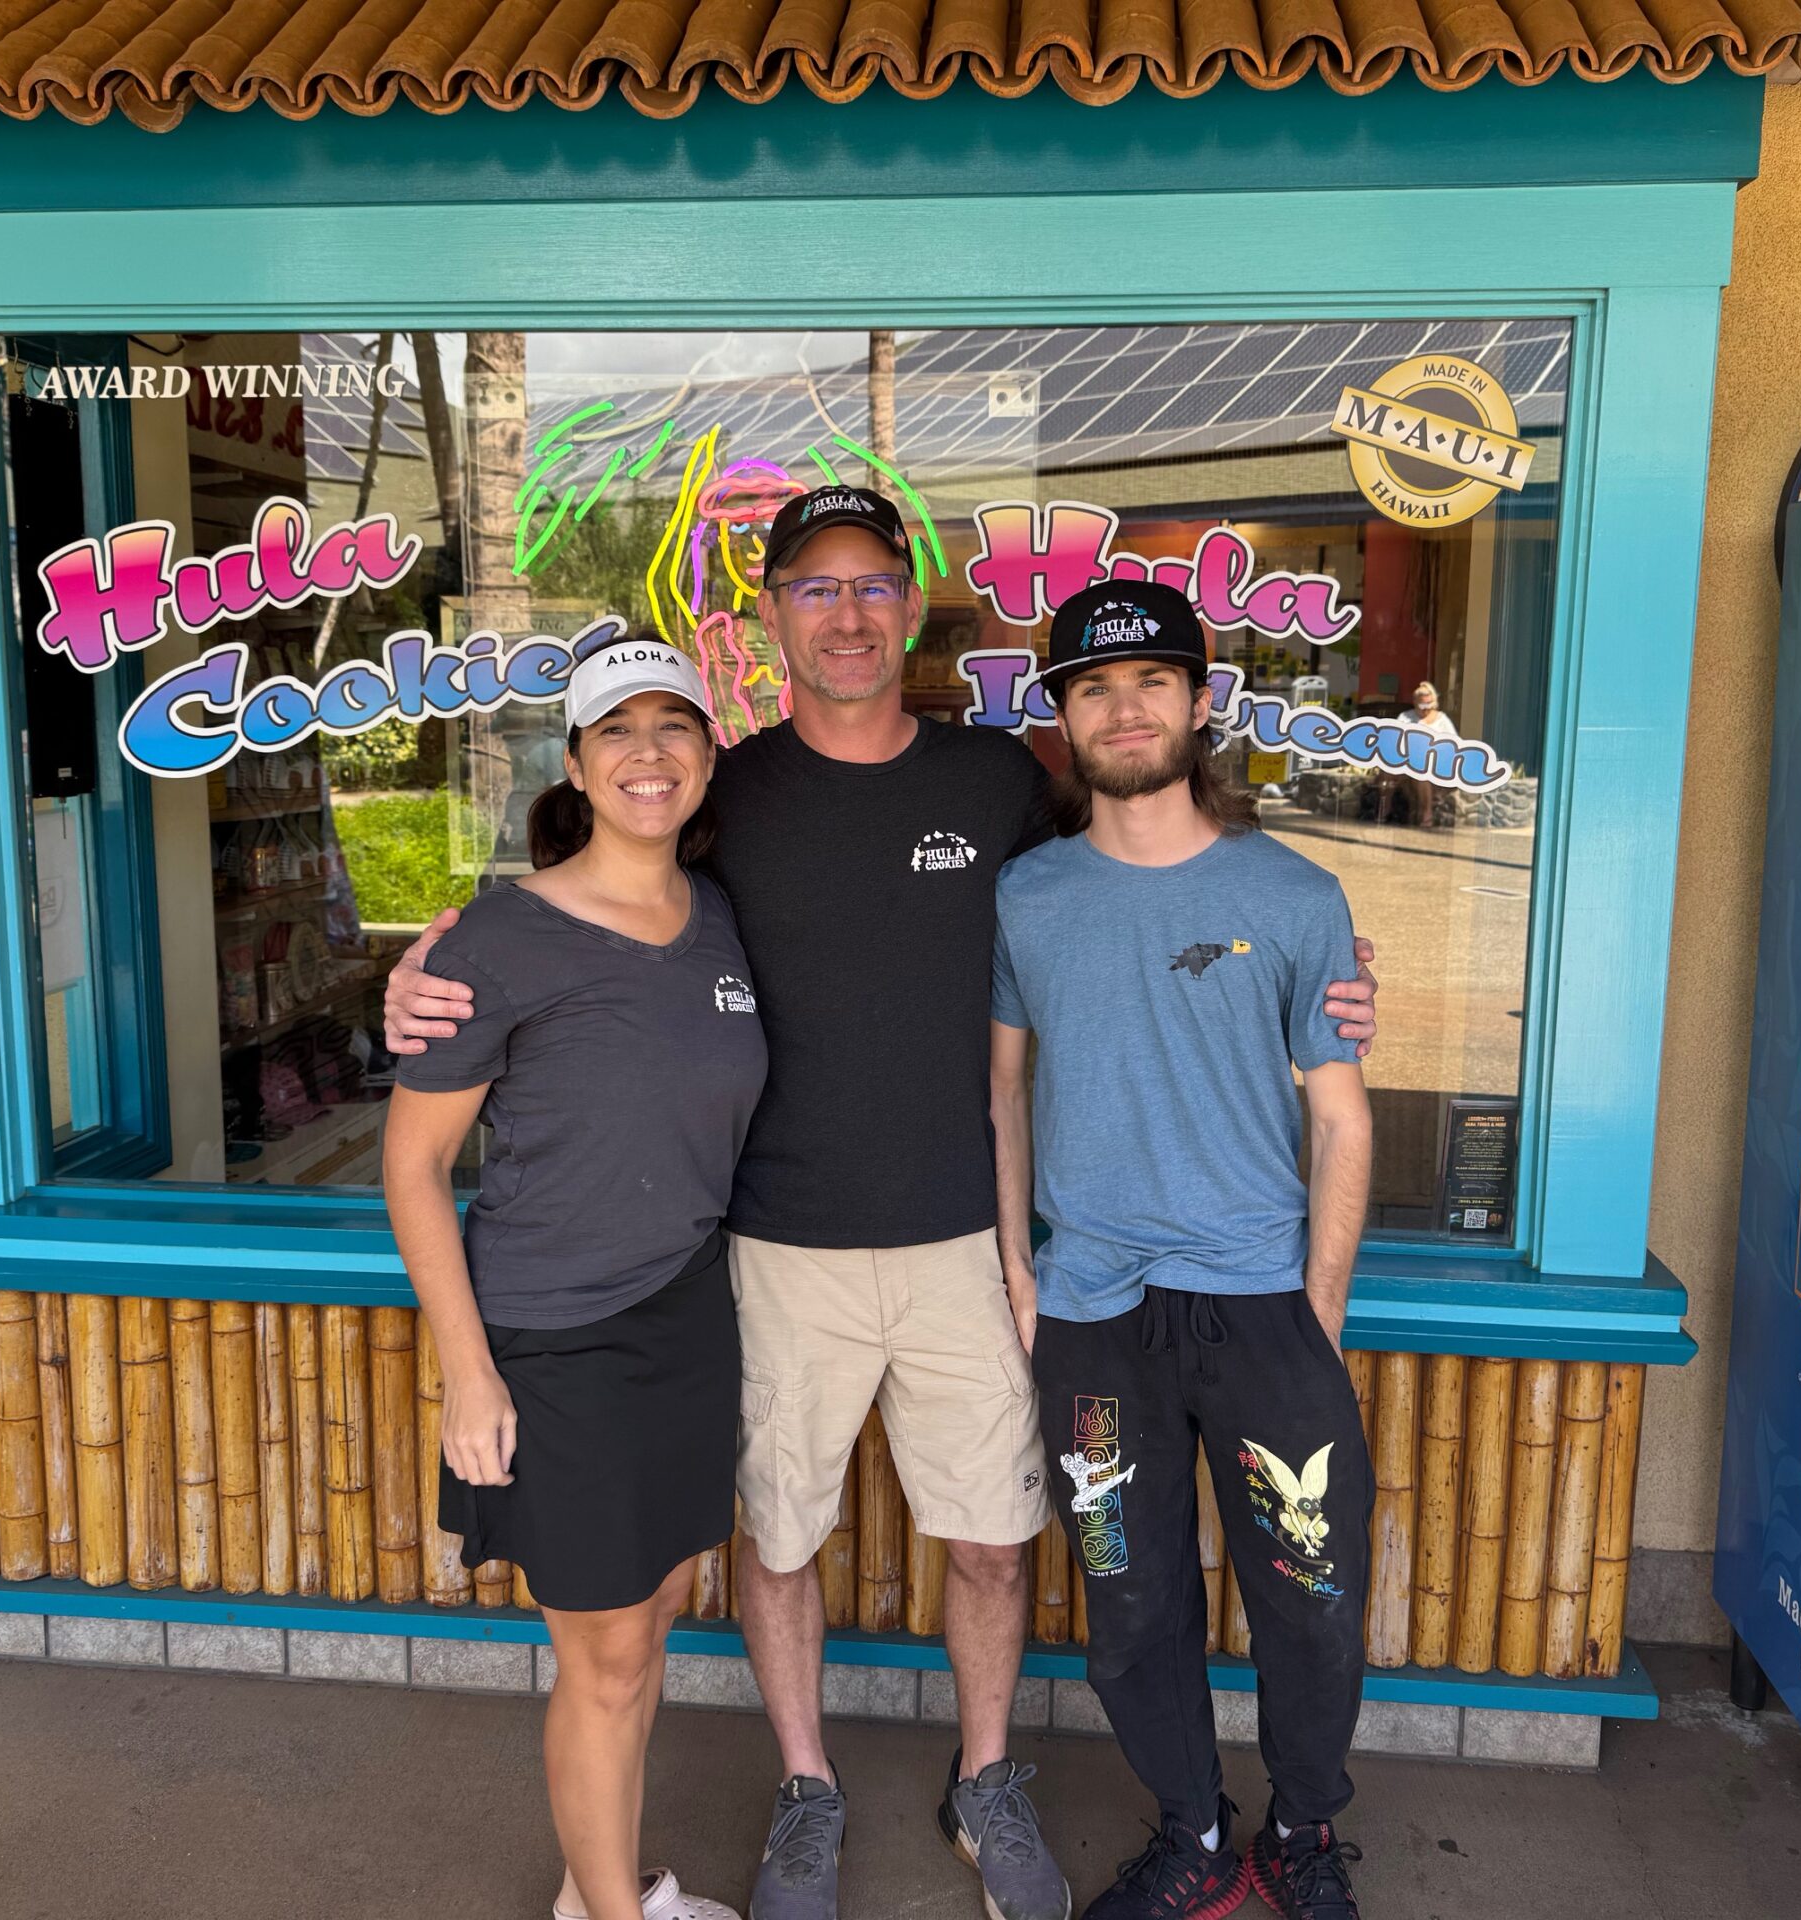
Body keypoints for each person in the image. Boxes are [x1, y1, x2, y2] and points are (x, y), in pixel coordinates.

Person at [385, 486, 1383, 1920]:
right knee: (780, 1543)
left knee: (992, 1537)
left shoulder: (997, 783)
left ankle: (987, 1780)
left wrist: (1331, 976)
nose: (846, 614)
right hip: (771, 1248)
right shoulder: (723, 794)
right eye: (814, 588)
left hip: (970, 1249)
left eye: (871, 586)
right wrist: (426, 985)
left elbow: (1155, 871)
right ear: (771, 617)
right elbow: (593, 901)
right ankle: (806, 1790)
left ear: (911, 608)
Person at [989, 580, 1377, 1920]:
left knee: (1312, 1597)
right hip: (1095, 1311)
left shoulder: (1293, 890)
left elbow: (1339, 1113)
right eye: (1094, 687)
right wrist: (1020, 1268)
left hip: (1263, 1305)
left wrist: (1315, 1309)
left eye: (1152, 680)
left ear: (1199, 703)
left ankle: (1303, 1833)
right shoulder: (1027, 898)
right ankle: (1195, 1832)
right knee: (1131, 1604)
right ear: (1063, 718)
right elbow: (1001, 1087)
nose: (1126, 705)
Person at [383, 635, 765, 1920]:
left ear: (710, 754)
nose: (649, 753)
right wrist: (467, 1374)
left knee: (649, 1617)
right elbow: (414, 1168)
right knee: (602, 1657)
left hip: (685, 1315)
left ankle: (591, 1888)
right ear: (577, 762)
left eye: (675, 726)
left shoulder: (719, 918)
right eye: (618, 730)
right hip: (554, 1339)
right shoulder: (502, 936)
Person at [1393, 680, 1458, 828]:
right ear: (1415, 702)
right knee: (1405, 770)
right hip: (1408, 761)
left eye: (1429, 704)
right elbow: (1396, 739)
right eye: (1422, 704)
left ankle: (1425, 813)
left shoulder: (1442, 720)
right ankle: (1386, 811)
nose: (1425, 708)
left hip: (1435, 762)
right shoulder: (1405, 717)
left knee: (1421, 770)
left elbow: (1453, 743)